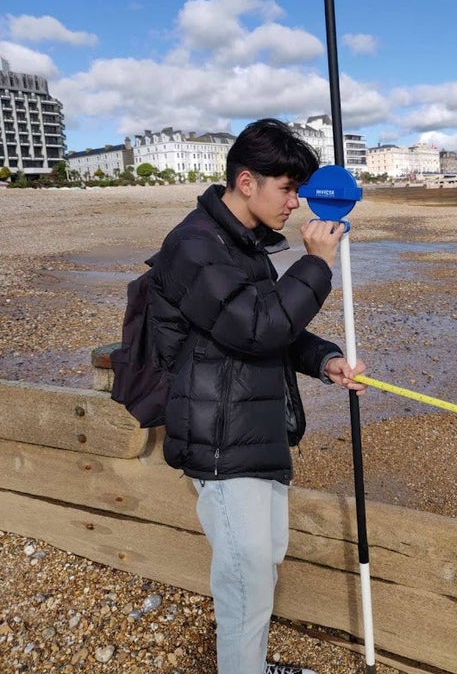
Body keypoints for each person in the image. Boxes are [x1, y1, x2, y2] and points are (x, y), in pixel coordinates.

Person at [154, 117, 366, 674]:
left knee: (263, 562)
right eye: (288, 188)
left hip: (255, 429)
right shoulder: (194, 246)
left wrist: (325, 359)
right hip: (220, 440)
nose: (296, 203)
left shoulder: (239, 243)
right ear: (246, 182)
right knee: (246, 582)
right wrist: (316, 262)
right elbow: (256, 328)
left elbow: (273, 326)